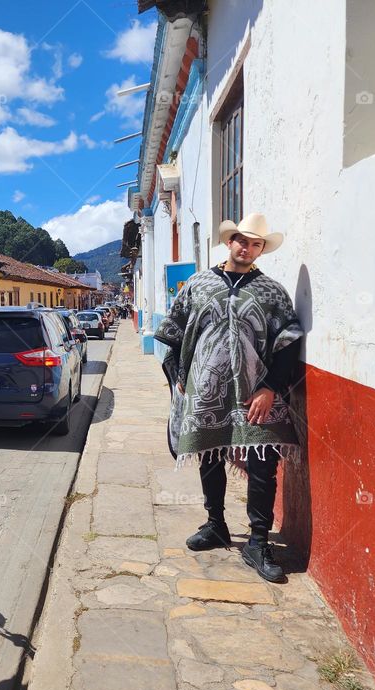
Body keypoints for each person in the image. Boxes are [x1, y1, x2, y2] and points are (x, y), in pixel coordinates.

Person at [154, 212, 303, 584]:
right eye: (242, 240)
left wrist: (270, 388)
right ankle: (216, 524)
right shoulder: (198, 285)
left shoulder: (272, 292)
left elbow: (287, 343)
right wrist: (179, 380)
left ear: (261, 249)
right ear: (230, 241)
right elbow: (171, 335)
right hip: (206, 392)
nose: (247, 248)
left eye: (256, 244)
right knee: (209, 454)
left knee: (264, 462)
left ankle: (258, 542)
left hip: (255, 395)